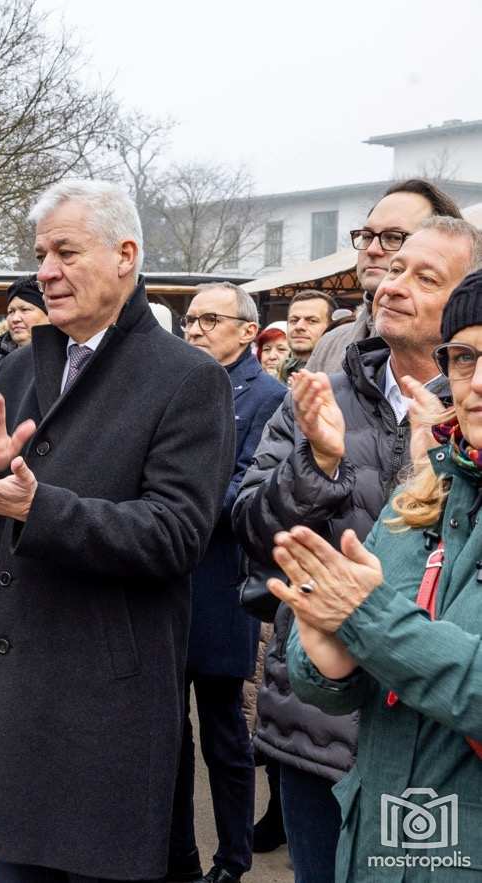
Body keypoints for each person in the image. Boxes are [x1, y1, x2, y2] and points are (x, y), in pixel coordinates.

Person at [0, 180, 234, 882]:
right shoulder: (21, 363)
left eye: (66, 251)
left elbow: (176, 533)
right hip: (15, 704)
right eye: (42, 253)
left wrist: (35, 509)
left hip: (102, 714)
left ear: (125, 254)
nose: (46, 270)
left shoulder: (186, 379)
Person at [232, 216, 482, 881]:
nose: (393, 282)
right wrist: (316, 464)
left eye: (424, 275)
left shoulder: (454, 450)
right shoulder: (324, 395)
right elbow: (252, 532)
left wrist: (364, 617)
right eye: (394, 266)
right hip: (325, 736)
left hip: (446, 770)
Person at [169, 283, 287, 883]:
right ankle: (179, 853)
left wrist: (170, 507)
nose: (195, 329)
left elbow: (249, 488)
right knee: (170, 737)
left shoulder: (269, 397)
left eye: (210, 319)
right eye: (190, 319)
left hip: (220, 585)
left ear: (247, 331)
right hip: (165, 583)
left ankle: (232, 859)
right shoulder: (175, 384)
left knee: (223, 735)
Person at [304, 179, 462, 375]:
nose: (372, 249)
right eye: (368, 236)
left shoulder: (466, 354)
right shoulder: (330, 345)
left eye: (394, 237)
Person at [0, 276, 48, 369]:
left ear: (48, 314)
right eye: (11, 311)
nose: (15, 319)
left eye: (25, 309)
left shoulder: (67, 358)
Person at [280, 290, 336, 380]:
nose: (299, 327)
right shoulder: (281, 374)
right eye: (294, 320)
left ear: (332, 326)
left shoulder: (345, 374)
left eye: (312, 321)